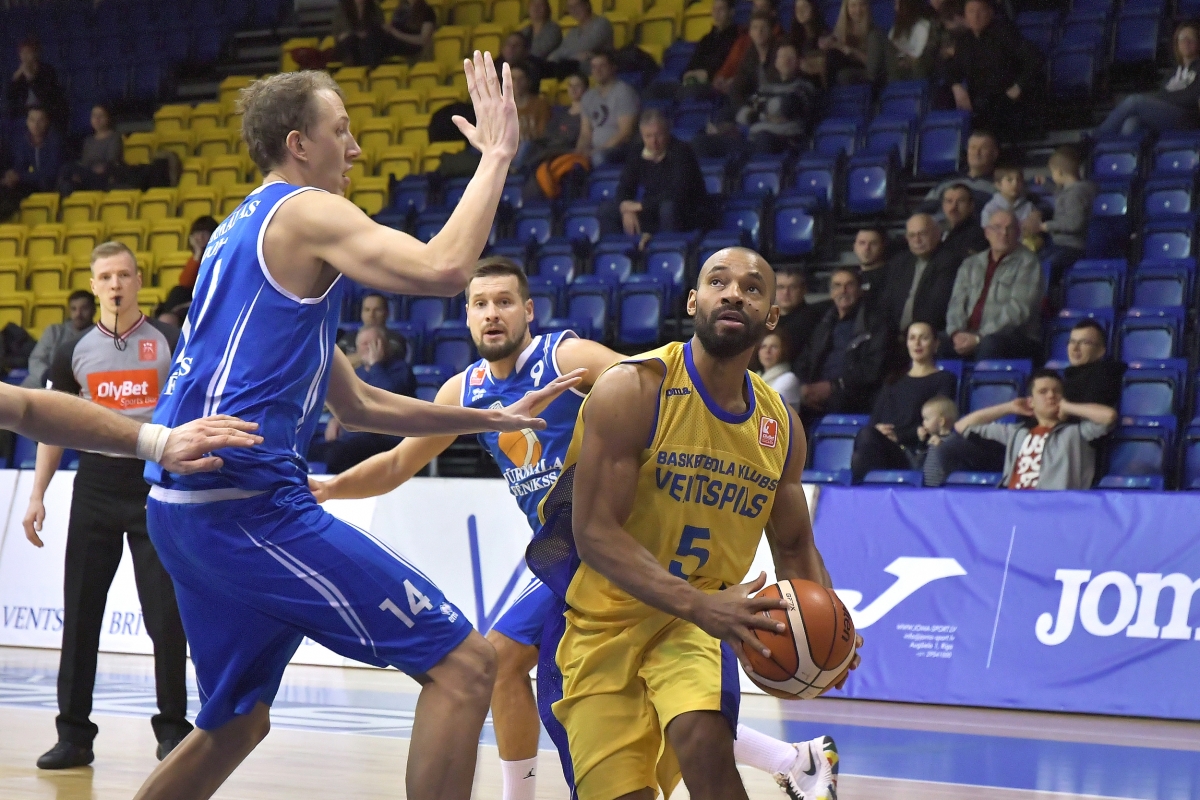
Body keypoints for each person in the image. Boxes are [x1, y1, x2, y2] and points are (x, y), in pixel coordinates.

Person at [127, 58, 583, 800]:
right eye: (341, 131)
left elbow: (360, 405)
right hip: (245, 507)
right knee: (467, 667)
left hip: (185, 507)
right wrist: (498, 155)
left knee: (236, 723)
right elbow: (445, 267)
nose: (357, 148)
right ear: (299, 144)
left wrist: (488, 417)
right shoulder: (305, 210)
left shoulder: (244, 236)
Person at [312, 257, 832, 800]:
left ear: (528, 311)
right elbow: (398, 463)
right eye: (480, 304)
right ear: (465, 316)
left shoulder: (565, 357)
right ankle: (790, 758)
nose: (492, 314)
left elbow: (665, 393)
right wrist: (329, 488)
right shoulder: (463, 391)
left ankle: (521, 796)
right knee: (550, 680)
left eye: (504, 302)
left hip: (621, 544)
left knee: (507, 661)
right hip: (575, 557)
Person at [529, 247, 859, 800]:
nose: (733, 294)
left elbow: (794, 545)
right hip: (598, 622)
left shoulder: (781, 426)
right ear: (693, 301)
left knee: (705, 745)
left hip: (695, 625)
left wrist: (826, 635)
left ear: (772, 316)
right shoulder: (634, 388)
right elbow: (596, 533)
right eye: (718, 282)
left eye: (752, 288)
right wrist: (702, 605)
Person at [21, 243, 190, 769]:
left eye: (123, 275)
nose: (115, 284)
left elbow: (191, 411)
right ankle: (73, 736)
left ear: (138, 280)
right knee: (82, 613)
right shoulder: (72, 349)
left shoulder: (169, 341)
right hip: (94, 484)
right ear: (94, 286)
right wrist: (37, 493)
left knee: (165, 616)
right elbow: (51, 425)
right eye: (105, 277)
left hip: (153, 483)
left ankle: (173, 731)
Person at [953, 369, 1117, 490]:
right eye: (1043, 392)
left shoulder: (1077, 432)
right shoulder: (1016, 432)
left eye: (1057, 391)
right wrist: (1009, 407)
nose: (1051, 395)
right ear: (1031, 401)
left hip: (1055, 508)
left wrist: (1068, 407)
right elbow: (962, 426)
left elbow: (1108, 416)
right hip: (1014, 504)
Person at [850, 321, 957, 481]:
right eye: (912, 338)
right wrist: (879, 430)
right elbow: (874, 421)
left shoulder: (944, 379)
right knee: (865, 438)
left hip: (913, 452)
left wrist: (898, 436)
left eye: (923, 338)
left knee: (863, 451)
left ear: (936, 344)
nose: (917, 343)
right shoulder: (893, 380)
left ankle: (861, 491)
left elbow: (938, 421)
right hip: (883, 446)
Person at [941, 209, 1042, 361]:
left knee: (989, 344)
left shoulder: (1028, 263)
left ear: (1018, 232)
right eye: (997, 228)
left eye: (1010, 228)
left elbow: (1018, 311)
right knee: (935, 343)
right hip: (969, 334)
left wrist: (979, 337)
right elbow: (956, 303)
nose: (1004, 233)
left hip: (1013, 337)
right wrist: (956, 333)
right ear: (987, 233)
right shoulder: (970, 264)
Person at [795, 266, 891, 423]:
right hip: (816, 390)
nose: (843, 291)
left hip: (853, 393)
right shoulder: (824, 323)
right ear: (831, 293)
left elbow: (873, 369)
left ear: (860, 290)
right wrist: (803, 387)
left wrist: (834, 386)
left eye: (849, 285)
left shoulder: (875, 323)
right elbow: (804, 360)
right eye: (837, 286)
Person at [600, 110, 712, 238]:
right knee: (606, 210)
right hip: (652, 207)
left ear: (667, 132)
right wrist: (625, 208)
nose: (654, 141)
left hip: (686, 211)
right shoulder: (637, 152)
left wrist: (641, 206)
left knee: (667, 207)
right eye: (648, 136)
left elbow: (678, 192)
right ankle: (620, 248)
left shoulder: (682, 151)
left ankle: (667, 245)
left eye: (658, 135)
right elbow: (624, 187)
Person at [945, 0, 1042, 142]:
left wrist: (1019, 86)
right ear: (965, 16)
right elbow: (953, 69)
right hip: (979, 99)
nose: (976, 16)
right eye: (971, 12)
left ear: (990, 13)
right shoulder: (964, 41)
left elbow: (1034, 58)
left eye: (980, 11)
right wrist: (956, 86)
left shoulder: (1005, 33)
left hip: (1005, 97)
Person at [323, 325, 416, 473]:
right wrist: (334, 419)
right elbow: (343, 400)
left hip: (385, 436)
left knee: (341, 454)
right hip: (353, 437)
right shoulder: (354, 373)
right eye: (364, 344)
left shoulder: (401, 369)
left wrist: (375, 365)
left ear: (385, 345)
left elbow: (384, 395)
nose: (369, 348)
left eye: (375, 343)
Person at [1095, 21, 1200, 137]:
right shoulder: (1173, 72)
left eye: (1191, 38)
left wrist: (1167, 100)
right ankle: (1127, 148)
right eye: (1182, 38)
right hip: (1167, 113)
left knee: (1134, 101)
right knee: (1132, 122)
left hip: (1186, 117)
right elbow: (1162, 95)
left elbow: (1193, 97)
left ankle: (1096, 137)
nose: (1185, 41)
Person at [878, 213, 962, 335]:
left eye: (922, 234)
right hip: (894, 335)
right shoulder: (899, 263)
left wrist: (908, 335)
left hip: (929, 334)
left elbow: (936, 308)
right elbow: (885, 305)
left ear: (937, 234)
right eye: (912, 235)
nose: (917, 240)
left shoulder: (949, 262)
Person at [1025, 144, 1096, 280]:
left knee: (1042, 267)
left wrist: (1045, 226)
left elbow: (1074, 223)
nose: (1052, 175)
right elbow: (1062, 197)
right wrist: (1046, 184)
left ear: (1059, 172)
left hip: (1070, 247)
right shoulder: (1074, 191)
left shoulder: (1075, 194)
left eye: (1052, 172)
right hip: (1061, 245)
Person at [736, 43, 817, 154]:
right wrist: (766, 116)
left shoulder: (804, 86)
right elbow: (742, 115)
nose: (786, 60)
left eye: (791, 57)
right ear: (776, 62)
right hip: (754, 139)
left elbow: (786, 106)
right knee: (713, 142)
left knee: (763, 139)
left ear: (799, 61)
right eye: (782, 56)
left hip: (785, 141)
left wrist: (760, 108)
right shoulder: (765, 89)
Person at [576, 50, 639, 167]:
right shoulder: (588, 97)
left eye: (602, 66)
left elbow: (625, 133)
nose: (597, 70)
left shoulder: (624, 92)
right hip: (595, 150)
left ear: (613, 67)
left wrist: (597, 151)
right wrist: (579, 152)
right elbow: (585, 133)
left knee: (598, 158)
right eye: (594, 67)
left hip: (619, 149)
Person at [0, 106, 62, 221]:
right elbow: (19, 167)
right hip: (29, 185)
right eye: (32, 120)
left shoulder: (55, 142)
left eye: (40, 120)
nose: (36, 125)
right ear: (27, 122)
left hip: (50, 186)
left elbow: (51, 172)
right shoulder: (22, 142)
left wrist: (20, 177)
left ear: (47, 122)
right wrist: (11, 175)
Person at [22, 290, 94, 388]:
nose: (78, 314)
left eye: (84, 309)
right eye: (74, 309)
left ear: (94, 310)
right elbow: (36, 359)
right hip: (44, 381)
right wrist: (46, 377)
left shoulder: (99, 335)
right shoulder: (54, 331)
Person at [922, 130, 1000, 213]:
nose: (977, 152)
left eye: (983, 148)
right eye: (973, 148)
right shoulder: (949, 180)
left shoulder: (1001, 185)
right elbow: (924, 208)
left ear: (994, 154)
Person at [58, 104, 124, 194]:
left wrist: (96, 168)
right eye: (94, 116)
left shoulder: (114, 137)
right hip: (88, 174)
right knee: (67, 171)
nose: (97, 119)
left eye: (101, 116)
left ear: (108, 118)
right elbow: (85, 163)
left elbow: (112, 161)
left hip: (104, 176)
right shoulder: (88, 140)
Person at [819, 0, 885, 85]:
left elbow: (875, 65)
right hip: (841, 68)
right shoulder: (840, 31)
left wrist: (851, 51)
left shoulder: (874, 32)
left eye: (862, 5)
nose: (858, 10)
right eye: (853, 5)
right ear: (847, 8)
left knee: (843, 75)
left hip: (865, 72)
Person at [1062, 319, 1124, 409]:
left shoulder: (1105, 375)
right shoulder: (1068, 376)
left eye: (1084, 342)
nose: (1075, 348)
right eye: (1072, 342)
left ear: (1101, 351)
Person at [774, 269, 832, 364]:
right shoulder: (765, 321)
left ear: (804, 290)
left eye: (792, 287)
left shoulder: (814, 317)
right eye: (780, 287)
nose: (786, 292)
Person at [6, 38, 66, 129]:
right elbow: (10, 96)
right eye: (22, 53)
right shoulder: (20, 75)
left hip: (47, 110)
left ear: (35, 54)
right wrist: (14, 80)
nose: (24, 56)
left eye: (28, 53)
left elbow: (45, 96)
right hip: (27, 111)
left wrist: (30, 77)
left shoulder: (47, 70)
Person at [682, 0, 743, 88]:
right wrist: (691, 73)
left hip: (717, 85)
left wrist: (707, 74)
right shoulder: (706, 38)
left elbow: (724, 63)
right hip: (697, 82)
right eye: (714, 9)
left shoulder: (736, 37)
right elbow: (693, 62)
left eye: (721, 9)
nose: (717, 13)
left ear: (731, 12)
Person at [546, 0, 614, 77]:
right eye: (570, 7)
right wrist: (554, 58)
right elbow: (559, 52)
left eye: (578, 5)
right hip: (572, 70)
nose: (574, 10)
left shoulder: (601, 23)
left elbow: (585, 46)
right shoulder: (573, 32)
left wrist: (566, 57)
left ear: (587, 5)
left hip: (594, 71)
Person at [980, 165, 1040, 252]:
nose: (1015, 184)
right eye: (1009, 180)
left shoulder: (1029, 206)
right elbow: (988, 233)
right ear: (998, 185)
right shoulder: (990, 209)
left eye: (1019, 180)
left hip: (1024, 250)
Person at [728, 12, 778, 109]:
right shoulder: (749, 56)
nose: (759, 32)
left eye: (763, 27)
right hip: (754, 101)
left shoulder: (779, 52)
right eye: (755, 28)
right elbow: (738, 86)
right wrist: (744, 108)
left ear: (771, 30)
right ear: (750, 32)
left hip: (774, 101)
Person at [511, 63, 551, 172]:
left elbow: (541, 134)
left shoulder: (540, 104)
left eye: (521, 79)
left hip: (533, 149)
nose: (517, 83)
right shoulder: (502, 107)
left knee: (526, 145)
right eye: (513, 79)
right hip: (510, 151)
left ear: (528, 81)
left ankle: (513, 170)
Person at [936, 182, 989, 262]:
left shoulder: (978, 236)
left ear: (971, 205)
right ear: (943, 205)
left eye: (960, 201)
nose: (953, 207)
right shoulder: (936, 230)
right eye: (949, 201)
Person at [885, 0, 938, 81]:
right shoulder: (897, 28)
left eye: (898, 4)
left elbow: (919, 56)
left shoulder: (922, 26)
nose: (895, 8)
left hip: (915, 70)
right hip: (896, 67)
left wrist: (905, 58)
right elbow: (890, 47)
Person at [331, 0, 386, 67]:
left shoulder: (374, 8)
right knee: (349, 42)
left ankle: (369, 68)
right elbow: (339, 33)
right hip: (349, 43)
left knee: (370, 43)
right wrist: (355, 34)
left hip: (370, 42)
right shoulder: (342, 8)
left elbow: (380, 28)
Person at [756, 331, 800, 405]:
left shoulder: (788, 379)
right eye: (763, 346)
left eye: (774, 347)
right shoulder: (756, 377)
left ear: (784, 351)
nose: (767, 351)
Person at [177, 215, 219, 290]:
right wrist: (198, 252)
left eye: (205, 233)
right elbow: (185, 283)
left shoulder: (220, 256)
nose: (200, 237)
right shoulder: (195, 258)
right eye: (197, 233)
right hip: (196, 294)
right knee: (178, 291)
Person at [851, 226, 889, 297]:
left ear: (882, 247)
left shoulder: (892, 277)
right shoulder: (849, 276)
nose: (867, 248)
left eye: (873, 243)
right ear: (854, 247)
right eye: (862, 243)